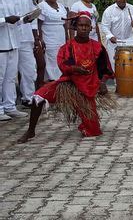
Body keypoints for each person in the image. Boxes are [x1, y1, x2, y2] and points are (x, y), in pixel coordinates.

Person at [17, 11, 115, 144]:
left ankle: (85, 120)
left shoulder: (98, 47)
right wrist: (75, 69)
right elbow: (63, 65)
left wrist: (102, 83)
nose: (84, 28)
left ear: (91, 28)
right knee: (38, 97)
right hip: (68, 84)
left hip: (88, 88)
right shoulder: (68, 47)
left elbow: (105, 69)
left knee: (93, 132)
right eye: (81, 25)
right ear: (76, 27)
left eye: (87, 26)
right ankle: (30, 131)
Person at [3, 0, 40, 108]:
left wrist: (35, 35)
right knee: (10, 74)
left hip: (25, 36)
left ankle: (28, 98)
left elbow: (32, 14)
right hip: (9, 37)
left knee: (30, 69)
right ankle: (9, 104)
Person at [0, 0, 32, 121]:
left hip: (14, 42)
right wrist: (5, 20)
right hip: (1, 44)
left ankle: (9, 106)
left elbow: (16, 19)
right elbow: (6, 19)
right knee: (0, 77)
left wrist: (23, 20)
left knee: (11, 77)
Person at [101, 0, 133, 71]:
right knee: (115, 63)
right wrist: (110, 36)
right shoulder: (109, 11)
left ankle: (128, 83)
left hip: (129, 41)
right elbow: (104, 26)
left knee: (130, 63)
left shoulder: (132, 9)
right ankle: (118, 83)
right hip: (114, 42)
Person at [37, 0, 69, 81]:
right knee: (51, 61)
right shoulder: (41, 6)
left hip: (61, 38)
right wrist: (40, 39)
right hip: (49, 39)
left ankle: (60, 82)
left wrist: (67, 38)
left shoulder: (61, 6)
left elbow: (64, 23)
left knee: (61, 59)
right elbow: (39, 24)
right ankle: (52, 82)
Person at [22, 0, 46, 89]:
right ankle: (26, 94)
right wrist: (36, 38)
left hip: (33, 36)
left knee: (39, 65)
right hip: (26, 36)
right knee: (27, 67)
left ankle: (37, 91)